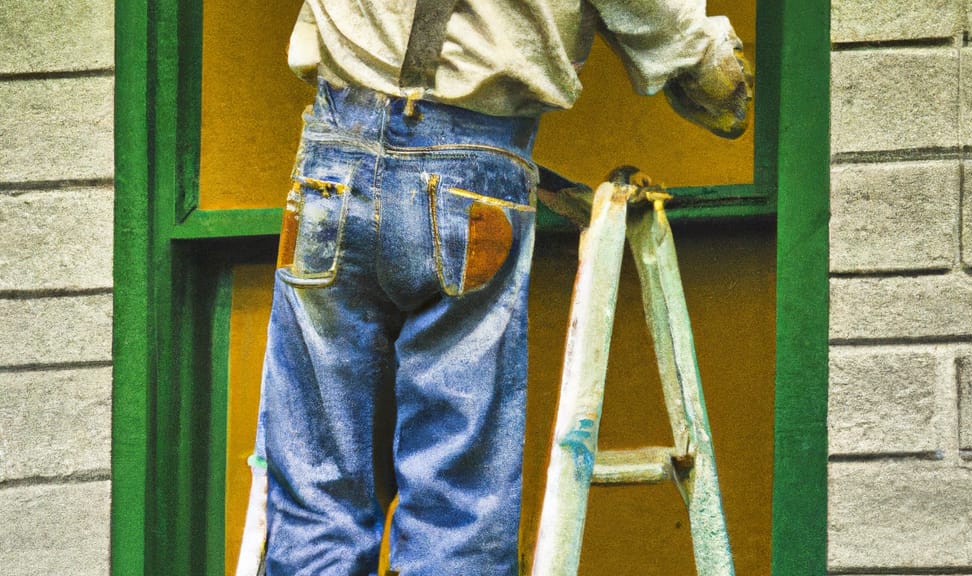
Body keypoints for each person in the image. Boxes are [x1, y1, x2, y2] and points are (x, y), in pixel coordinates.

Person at [237, 1, 752, 574]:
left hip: (332, 160)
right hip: (472, 166)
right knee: (454, 514)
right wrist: (703, 61)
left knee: (318, 503)